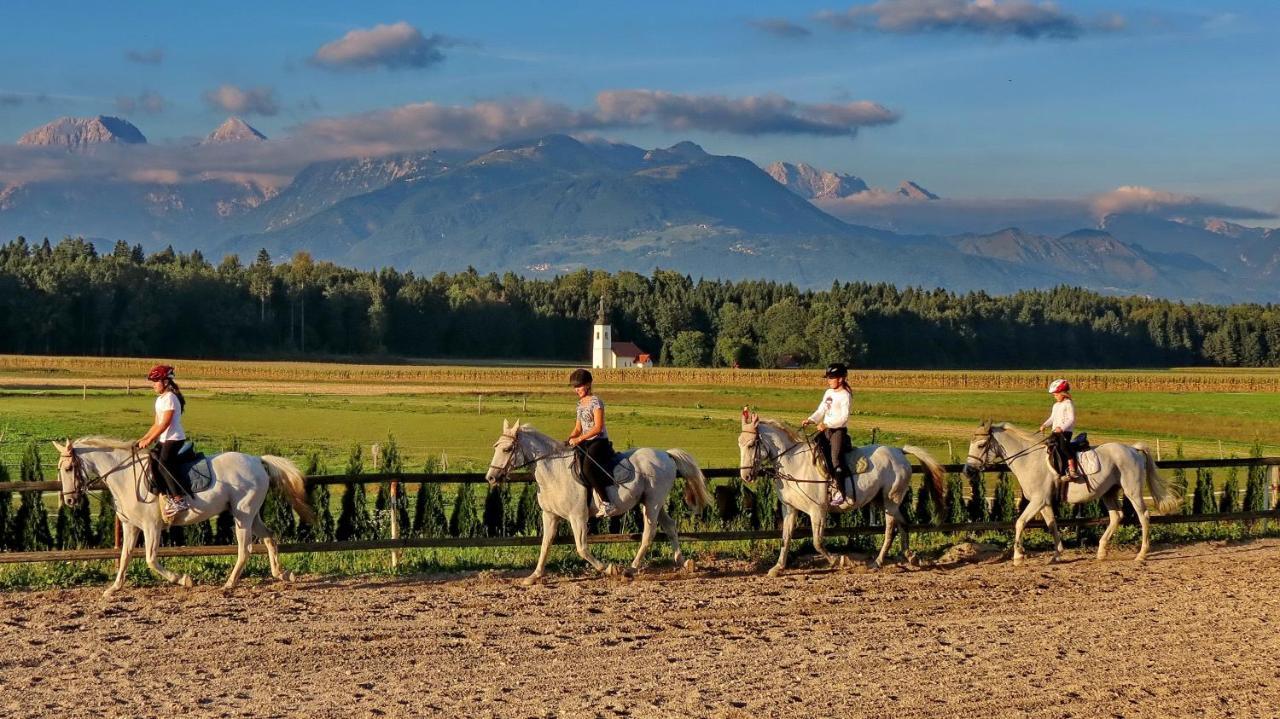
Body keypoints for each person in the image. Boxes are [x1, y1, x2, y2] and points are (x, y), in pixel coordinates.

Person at [135, 364, 190, 520]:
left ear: (166, 382)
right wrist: (143, 438)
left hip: (174, 438)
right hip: (165, 438)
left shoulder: (171, 398)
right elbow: (156, 424)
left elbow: (165, 424)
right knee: (152, 459)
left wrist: (150, 440)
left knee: (164, 463)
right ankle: (164, 495)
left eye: (156, 381)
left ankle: (179, 499)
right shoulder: (160, 399)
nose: (153, 385)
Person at [566, 368, 616, 517]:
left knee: (588, 468)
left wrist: (579, 439)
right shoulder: (580, 404)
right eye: (575, 387)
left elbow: (598, 427)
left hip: (599, 441)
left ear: (588, 385)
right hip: (585, 441)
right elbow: (577, 428)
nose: (577, 390)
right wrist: (569, 439)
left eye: (579, 386)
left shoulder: (596, 401)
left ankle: (607, 502)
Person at [802, 362, 853, 506]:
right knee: (812, 449)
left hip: (838, 431)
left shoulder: (845, 396)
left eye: (831, 378)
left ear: (841, 379)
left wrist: (827, 424)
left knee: (835, 458)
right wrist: (811, 420)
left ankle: (840, 491)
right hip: (825, 430)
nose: (828, 380)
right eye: (828, 378)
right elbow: (821, 410)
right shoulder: (828, 393)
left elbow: (843, 418)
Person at [1040, 378, 1081, 481]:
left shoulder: (1068, 404)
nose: (1055, 397)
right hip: (1055, 432)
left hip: (1065, 432)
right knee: (1049, 447)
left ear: (1063, 393)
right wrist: (1045, 425)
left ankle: (1072, 469)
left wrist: (1062, 428)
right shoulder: (1056, 405)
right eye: (1054, 395)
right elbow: (1052, 418)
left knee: (1063, 448)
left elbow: (1071, 419)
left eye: (1056, 394)